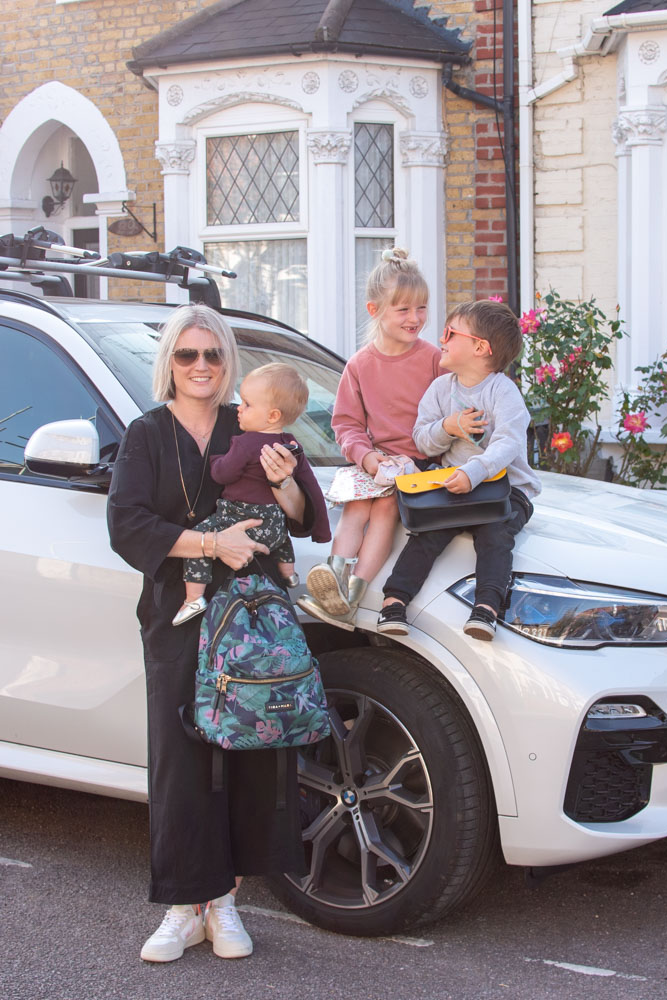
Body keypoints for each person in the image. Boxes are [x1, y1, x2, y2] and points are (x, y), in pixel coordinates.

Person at [107, 303, 330, 963]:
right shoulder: (147, 435)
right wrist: (209, 541)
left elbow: (303, 510)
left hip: (254, 612)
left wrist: (287, 489)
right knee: (181, 759)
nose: (199, 366)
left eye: (211, 355)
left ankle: (226, 903)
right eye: (186, 355)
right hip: (180, 611)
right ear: (169, 364)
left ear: (227, 362)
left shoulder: (254, 422)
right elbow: (127, 524)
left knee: (250, 756)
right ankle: (183, 905)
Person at [376, 299, 541, 641]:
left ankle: (486, 608)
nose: (441, 338)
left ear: (480, 347)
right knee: (426, 534)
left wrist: (475, 471)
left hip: (505, 490)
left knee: (496, 535)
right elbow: (422, 441)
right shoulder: (441, 389)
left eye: (451, 333)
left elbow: (508, 443)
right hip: (453, 484)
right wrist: (449, 427)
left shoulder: (503, 391)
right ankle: (394, 602)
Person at [299, 247, 441, 626]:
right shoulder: (360, 364)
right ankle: (334, 588)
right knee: (356, 510)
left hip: (418, 464)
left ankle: (353, 596)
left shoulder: (434, 360)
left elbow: (446, 415)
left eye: (421, 308)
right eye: (404, 309)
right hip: (375, 461)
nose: (415, 318)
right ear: (375, 310)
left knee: (384, 511)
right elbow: (345, 424)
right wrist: (365, 457)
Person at [173, 362, 309, 626]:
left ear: (271, 415)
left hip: (241, 517)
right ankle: (290, 574)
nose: (239, 408)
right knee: (280, 537)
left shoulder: (245, 442)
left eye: (246, 404)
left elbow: (223, 474)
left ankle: (193, 598)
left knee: (201, 536)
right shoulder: (290, 443)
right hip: (272, 522)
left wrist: (215, 460)